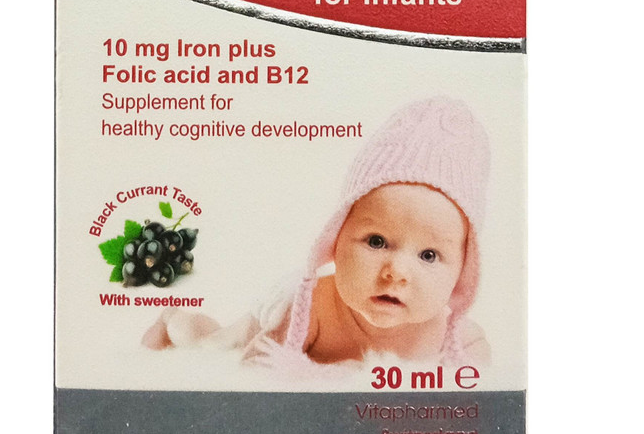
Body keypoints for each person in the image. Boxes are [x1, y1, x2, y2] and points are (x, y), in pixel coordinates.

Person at [143, 97, 491, 370]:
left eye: (429, 255)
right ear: (335, 239)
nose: (396, 272)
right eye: (376, 241)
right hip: (277, 311)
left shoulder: (458, 339)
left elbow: (478, 382)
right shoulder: (311, 309)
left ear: (463, 270)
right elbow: (254, 369)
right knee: (212, 344)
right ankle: (174, 318)